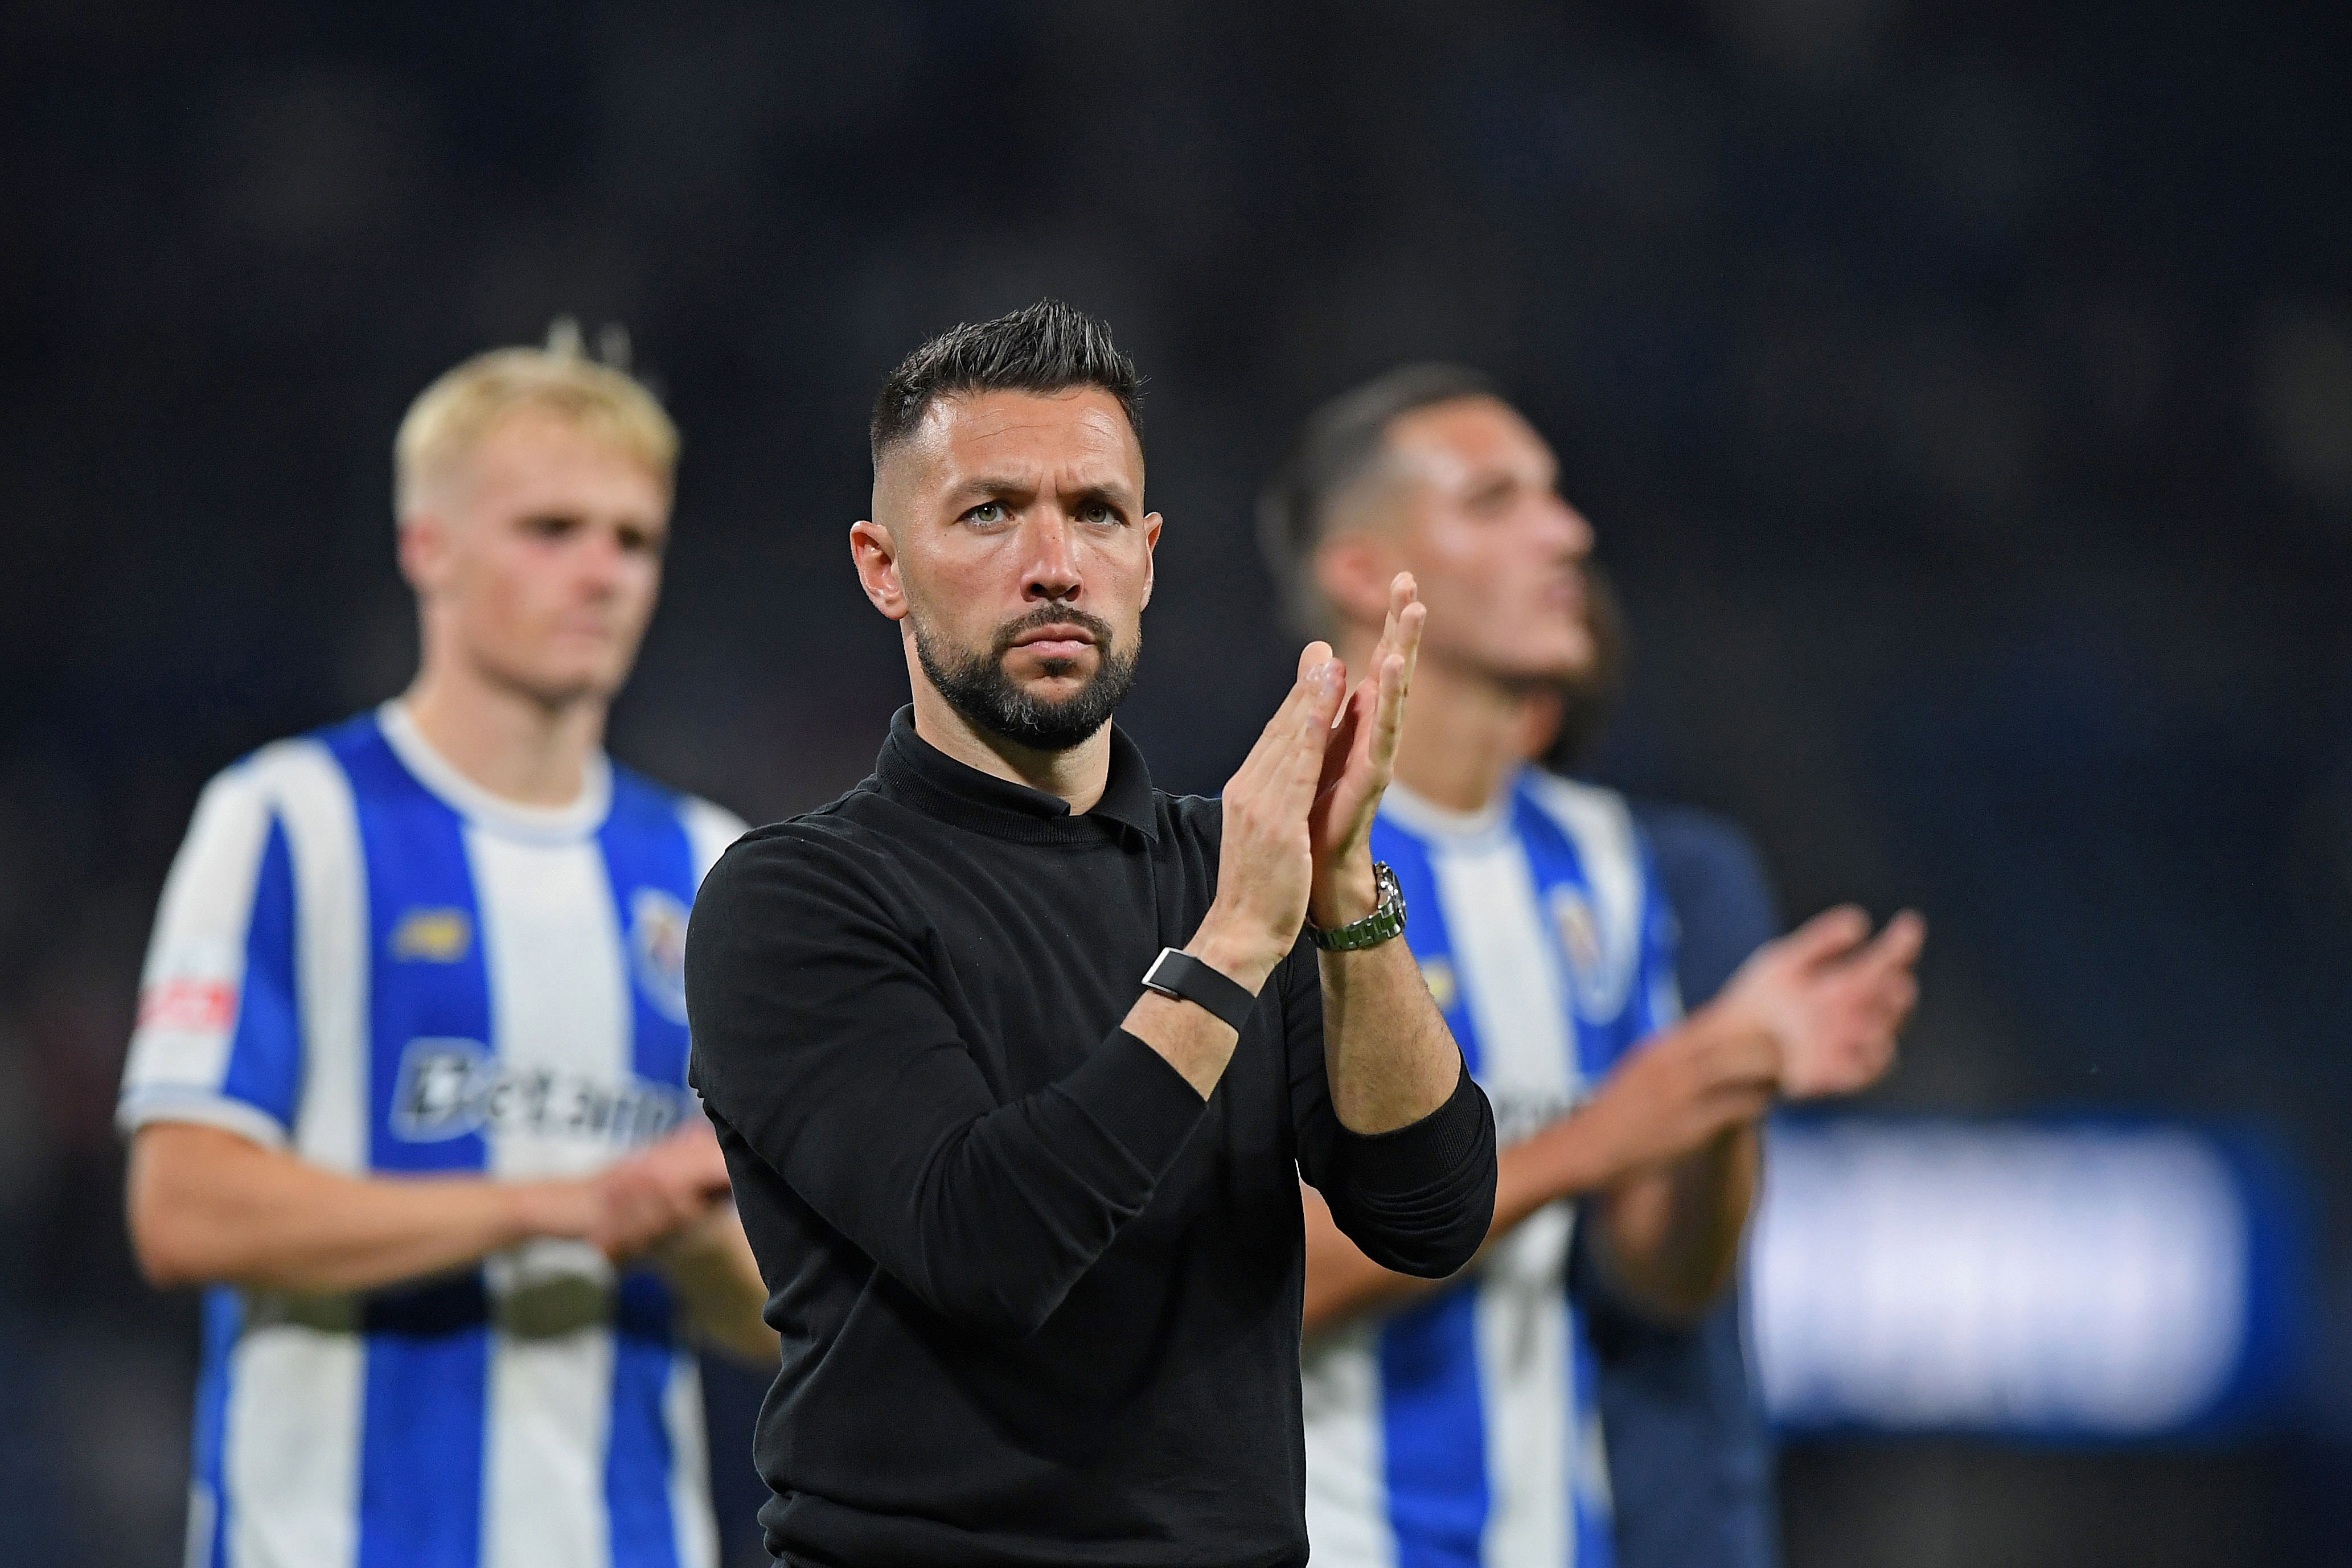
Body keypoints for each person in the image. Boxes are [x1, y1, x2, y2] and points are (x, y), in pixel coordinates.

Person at [683, 301, 1499, 1568]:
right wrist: (1235, 940)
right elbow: (987, 1247)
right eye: (988, 512)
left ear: (1149, 555)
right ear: (880, 564)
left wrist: (1342, 887)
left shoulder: (1244, 873)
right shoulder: (791, 901)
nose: (1055, 562)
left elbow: (1431, 1211)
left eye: (1097, 512)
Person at [118, 331, 773, 1568]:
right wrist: (560, 1203)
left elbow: (791, 1319)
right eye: (551, 530)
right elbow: (183, 1206)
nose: (604, 574)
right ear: (430, 548)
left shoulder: (716, 870)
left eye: (633, 539)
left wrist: (689, 1236)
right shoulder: (287, 822)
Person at [1257, 365, 1923, 1567]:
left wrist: (1727, 1093)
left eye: (1555, 496)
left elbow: (1662, 1279)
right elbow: (1242, 1285)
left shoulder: (1614, 870)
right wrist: (1604, 1130)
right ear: (1365, 571)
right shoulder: (1252, 861)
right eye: (1495, 500)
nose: (1566, 532)